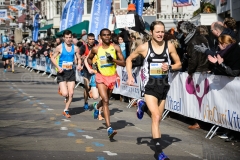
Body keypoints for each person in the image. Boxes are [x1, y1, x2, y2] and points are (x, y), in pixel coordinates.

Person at [126, 21, 181, 160]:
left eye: (162, 31)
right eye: (157, 32)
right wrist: (130, 76)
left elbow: (179, 64)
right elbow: (129, 59)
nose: (160, 34)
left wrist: (169, 67)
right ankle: (159, 152)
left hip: (163, 85)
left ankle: (142, 107)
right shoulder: (144, 47)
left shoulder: (169, 46)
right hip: (149, 85)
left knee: (157, 118)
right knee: (156, 117)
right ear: (151, 32)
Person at [87, 28, 125, 139]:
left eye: (108, 35)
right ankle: (109, 128)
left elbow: (123, 63)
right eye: (104, 35)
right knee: (106, 100)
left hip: (112, 77)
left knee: (105, 99)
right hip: (100, 77)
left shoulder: (115, 47)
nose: (107, 37)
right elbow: (89, 59)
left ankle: (96, 106)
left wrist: (113, 60)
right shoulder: (95, 49)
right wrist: (93, 65)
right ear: (101, 36)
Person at [51, 30, 82, 118]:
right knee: (65, 94)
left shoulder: (75, 48)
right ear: (64, 38)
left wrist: (79, 64)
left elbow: (79, 58)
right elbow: (53, 58)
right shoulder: (59, 47)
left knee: (71, 93)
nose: (68, 39)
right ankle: (61, 88)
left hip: (71, 72)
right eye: (66, 38)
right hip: (62, 72)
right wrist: (58, 67)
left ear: (72, 37)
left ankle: (66, 110)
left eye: (70, 37)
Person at [79, 33, 96, 110]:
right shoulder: (83, 47)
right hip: (86, 69)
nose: (92, 41)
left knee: (92, 87)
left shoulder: (97, 46)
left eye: (93, 39)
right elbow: (79, 55)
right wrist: (82, 58)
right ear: (87, 40)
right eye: (90, 39)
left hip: (95, 69)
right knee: (87, 86)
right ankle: (86, 102)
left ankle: (92, 95)